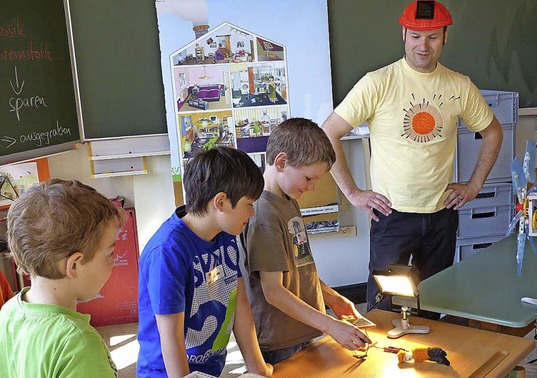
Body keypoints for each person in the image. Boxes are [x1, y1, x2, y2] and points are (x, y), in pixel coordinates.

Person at [321, 0, 503, 314]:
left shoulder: (459, 86)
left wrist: (474, 186)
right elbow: (328, 132)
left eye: (432, 37)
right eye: (416, 36)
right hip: (392, 215)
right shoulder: (377, 83)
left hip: (441, 214)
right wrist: (352, 192)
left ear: (445, 37)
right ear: (404, 34)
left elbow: (493, 132)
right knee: (384, 304)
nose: (424, 45)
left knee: (433, 301)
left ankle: (429, 357)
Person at [239, 118, 371, 365]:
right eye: (309, 178)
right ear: (281, 162)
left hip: (306, 329)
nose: (312, 187)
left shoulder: (288, 199)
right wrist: (332, 326)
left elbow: (299, 268)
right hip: (282, 342)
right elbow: (274, 291)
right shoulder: (264, 214)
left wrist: (332, 298)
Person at [137, 146, 273, 378]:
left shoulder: (226, 234)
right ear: (220, 202)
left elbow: (238, 300)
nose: (251, 213)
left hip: (209, 370)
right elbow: (170, 335)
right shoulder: (168, 250)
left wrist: (258, 369)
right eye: (248, 204)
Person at [0, 179, 125, 377]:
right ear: (73, 265)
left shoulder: (8, 312)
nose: (113, 262)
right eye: (109, 254)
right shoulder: (78, 343)